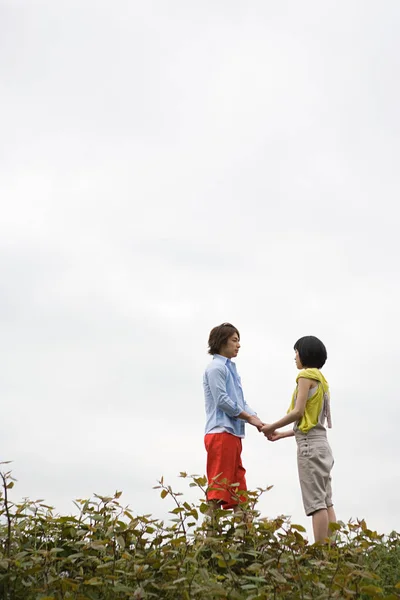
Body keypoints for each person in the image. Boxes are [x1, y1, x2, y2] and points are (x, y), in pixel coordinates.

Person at [261, 336, 336, 543]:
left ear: (305, 354)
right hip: (322, 445)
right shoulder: (322, 381)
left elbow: (298, 412)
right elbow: (310, 422)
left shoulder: (305, 376)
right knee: (326, 501)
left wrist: (272, 426)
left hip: (309, 448)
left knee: (315, 504)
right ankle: (333, 555)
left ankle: (320, 556)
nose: (294, 357)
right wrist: (282, 435)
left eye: (296, 352)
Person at [203, 323, 264, 511]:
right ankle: (210, 538)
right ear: (222, 342)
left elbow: (240, 401)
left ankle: (243, 538)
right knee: (218, 489)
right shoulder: (215, 368)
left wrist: (257, 421)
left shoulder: (231, 370)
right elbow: (222, 400)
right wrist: (250, 418)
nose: (238, 345)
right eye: (234, 340)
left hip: (233, 434)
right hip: (221, 432)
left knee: (239, 492)